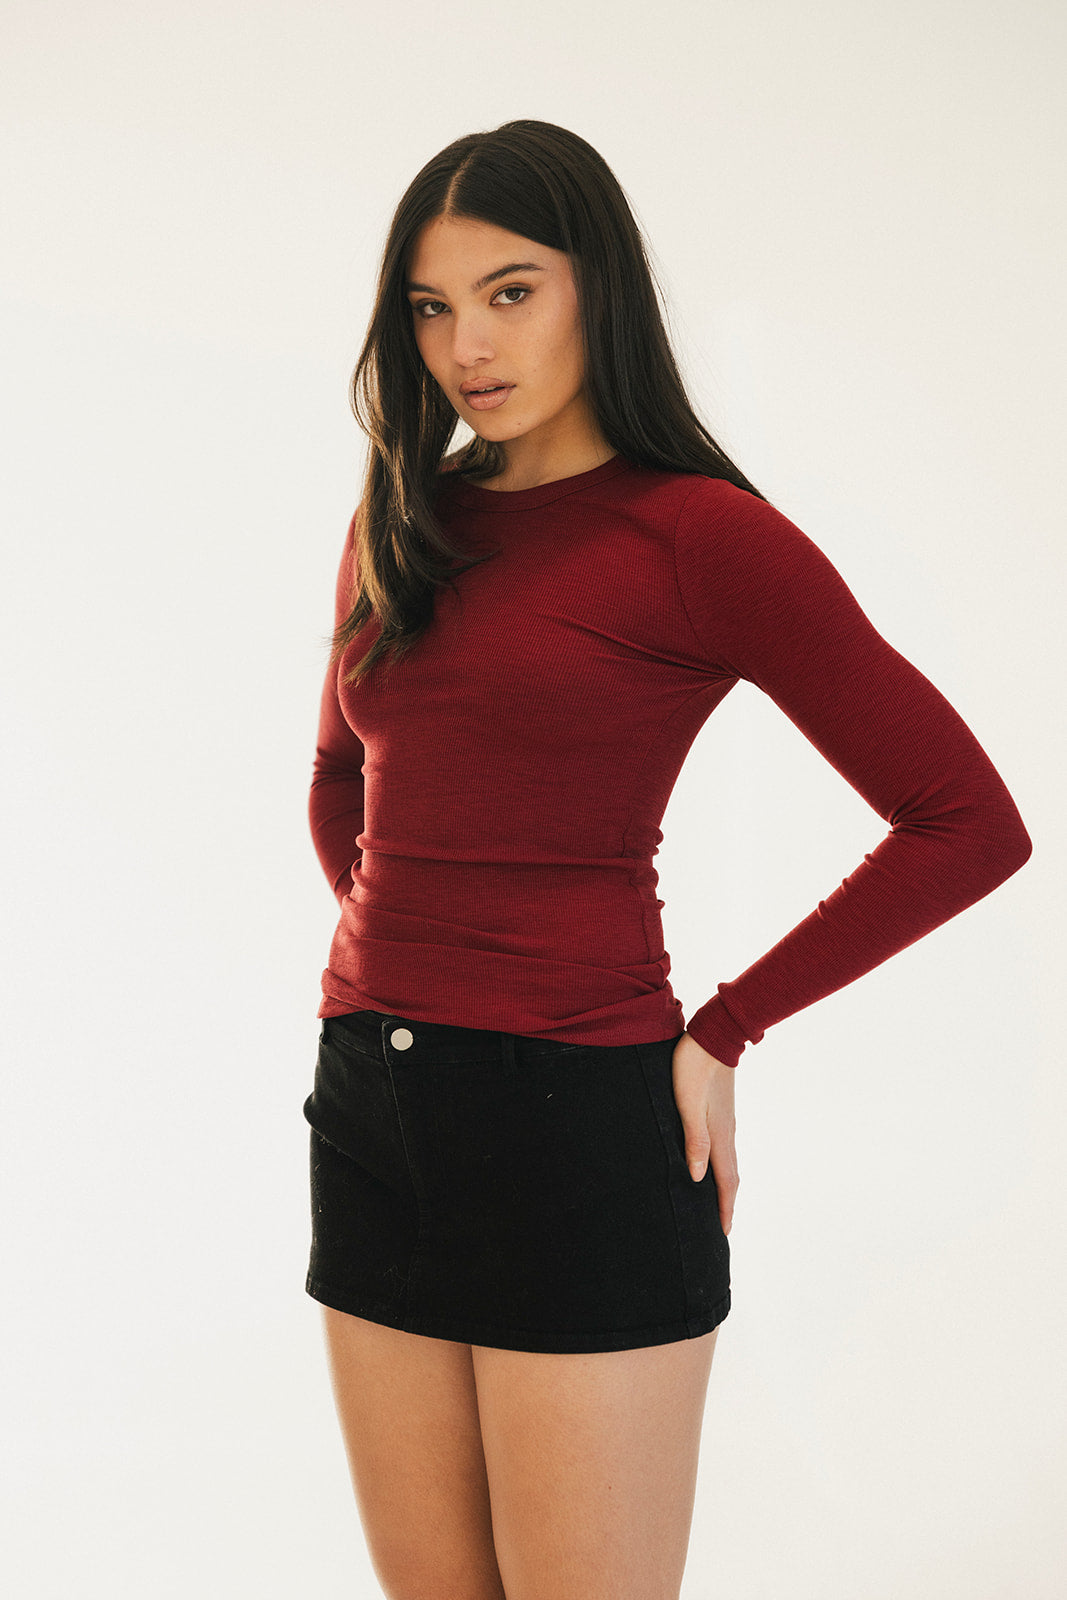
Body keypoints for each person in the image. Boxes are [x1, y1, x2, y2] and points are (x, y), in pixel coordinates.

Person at [301, 119, 1032, 1600]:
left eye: (511, 292)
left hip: (579, 1124)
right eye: (432, 308)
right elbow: (340, 783)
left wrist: (725, 1028)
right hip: (374, 1106)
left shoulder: (698, 537)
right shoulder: (406, 517)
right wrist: (409, 959)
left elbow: (966, 819)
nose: (466, 346)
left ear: (601, 287)